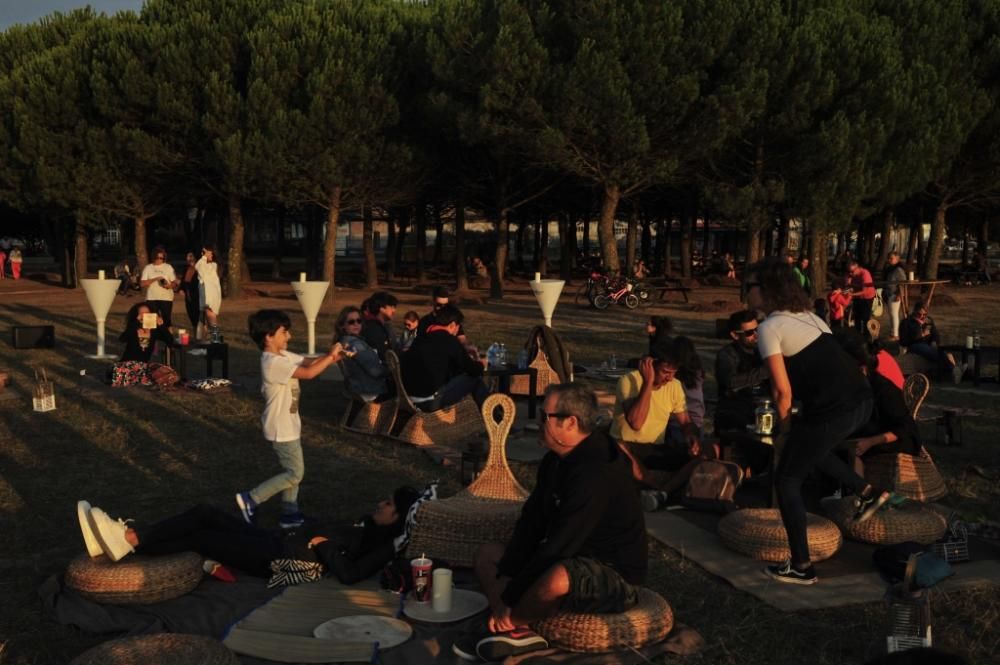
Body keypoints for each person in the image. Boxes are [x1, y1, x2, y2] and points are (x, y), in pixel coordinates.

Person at [453, 384, 646, 662]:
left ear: (570, 422)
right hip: (567, 553)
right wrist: (508, 575)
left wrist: (511, 596)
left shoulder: (596, 472)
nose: (539, 422)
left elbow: (562, 544)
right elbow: (532, 522)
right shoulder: (555, 461)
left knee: (556, 577)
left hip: (611, 570)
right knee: (488, 555)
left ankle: (507, 623)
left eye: (546, 416)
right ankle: (513, 627)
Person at [744, 258, 890, 585]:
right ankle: (865, 490)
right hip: (862, 401)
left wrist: (782, 430)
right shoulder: (810, 318)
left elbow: (782, 391)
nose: (746, 293)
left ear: (767, 290)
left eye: (749, 286)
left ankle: (801, 565)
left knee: (787, 480)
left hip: (834, 408)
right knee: (805, 445)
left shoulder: (770, 328)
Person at [78, 486, 421, 585]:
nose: (380, 503)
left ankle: (128, 543)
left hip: (272, 559)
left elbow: (352, 574)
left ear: (397, 518)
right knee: (205, 513)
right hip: (274, 540)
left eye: (388, 503)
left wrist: (325, 545)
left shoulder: (382, 548)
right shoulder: (367, 526)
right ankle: (130, 537)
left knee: (204, 537)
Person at [237, 310, 346, 530]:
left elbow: (308, 362)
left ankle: (290, 514)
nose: (289, 336)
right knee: (295, 473)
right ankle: (251, 498)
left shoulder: (283, 356)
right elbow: (309, 373)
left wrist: (334, 356)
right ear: (268, 336)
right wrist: (329, 357)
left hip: (289, 424)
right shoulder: (271, 362)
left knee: (292, 470)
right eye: (284, 332)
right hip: (280, 427)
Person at [610, 341, 708, 485]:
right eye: (665, 372)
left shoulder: (674, 385)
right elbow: (636, 423)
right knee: (620, 450)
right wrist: (648, 382)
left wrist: (691, 435)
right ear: (650, 365)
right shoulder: (628, 381)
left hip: (655, 448)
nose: (669, 378)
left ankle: (661, 491)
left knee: (702, 458)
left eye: (673, 373)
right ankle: (657, 486)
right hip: (627, 446)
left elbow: (686, 422)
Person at [835, 331, 920, 473]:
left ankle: (859, 490)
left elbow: (904, 428)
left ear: (861, 368)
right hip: (870, 433)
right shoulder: (855, 384)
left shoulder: (883, 389)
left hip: (894, 440)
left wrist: (869, 442)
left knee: (850, 452)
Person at [400, 304, 488, 409]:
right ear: (452, 325)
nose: (457, 331)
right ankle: (494, 418)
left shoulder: (421, 337)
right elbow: (472, 369)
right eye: (458, 327)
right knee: (475, 379)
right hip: (430, 402)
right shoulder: (449, 340)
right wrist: (482, 364)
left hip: (408, 399)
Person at [714, 311, 770, 433]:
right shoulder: (726, 354)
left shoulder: (762, 351)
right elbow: (730, 381)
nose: (756, 335)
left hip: (760, 413)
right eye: (749, 332)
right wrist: (765, 371)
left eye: (757, 329)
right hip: (733, 416)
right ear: (735, 335)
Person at [110, 302, 175, 387]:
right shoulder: (134, 329)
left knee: (167, 372)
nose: (145, 316)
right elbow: (122, 339)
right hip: (128, 364)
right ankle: (136, 378)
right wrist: (136, 323)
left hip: (144, 366)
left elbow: (170, 341)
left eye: (147, 313)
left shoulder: (153, 331)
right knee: (130, 370)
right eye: (142, 314)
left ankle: (139, 378)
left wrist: (162, 326)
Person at [898, 301, 962, 383]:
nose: (921, 316)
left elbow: (935, 334)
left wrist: (934, 341)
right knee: (930, 351)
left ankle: (952, 371)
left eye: (924, 314)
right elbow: (903, 341)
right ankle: (953, 369)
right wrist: (920, 335)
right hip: (914, 345)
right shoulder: (906, 322)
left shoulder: (928, 321)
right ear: (914, 311)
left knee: (940, 351)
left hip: (928, 345)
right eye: (919, 314)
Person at [336, 305, 389, 401]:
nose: (356, 324)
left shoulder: (343, 341)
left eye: (359, 321)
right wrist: (391, 370)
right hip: (369, 390)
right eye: (351, 322)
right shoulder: (355, 344)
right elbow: (375, 371)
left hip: (357, 387)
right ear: (343, 325)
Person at [140, 246, 179, 328]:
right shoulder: (148, 268)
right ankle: (151, 338)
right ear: (154, 257)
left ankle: (168, 337)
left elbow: (174, 282)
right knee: (150, 320)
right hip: (151, 298)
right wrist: (155, 279)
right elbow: (142, 284)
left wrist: (169, 286)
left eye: (162, 258)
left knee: (166, 319)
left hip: (166, 298)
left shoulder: (168, 267)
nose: (160, 260)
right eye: (158, 257)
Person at [360, 291, 398, 361]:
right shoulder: (374, 329)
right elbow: (383, 357)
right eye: (391, 307)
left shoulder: (375, 325)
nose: (394, 311)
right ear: (382, 308)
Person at [195, 245, 223, 341]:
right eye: (208, 253)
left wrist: (204, 256)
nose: (209, 255)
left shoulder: (213, 266)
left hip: (210, 297)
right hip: (207, 295)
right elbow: (199, 267)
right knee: (207, 321)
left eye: (210, 253)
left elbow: (199, 268)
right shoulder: (206, 265)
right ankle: (207, 342)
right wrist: (204, 256)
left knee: (211, 319)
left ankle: (216, 339)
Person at [882, 251, 907, 340]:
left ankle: (895, 334)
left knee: (894, 314)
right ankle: (893, 333)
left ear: (897, 259)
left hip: (894, 293)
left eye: (891, 258)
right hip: (889, 293)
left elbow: (903, 283)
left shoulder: (898, 270)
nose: (889, 260)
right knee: (891, 314)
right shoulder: (890, 268)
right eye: (889, 258)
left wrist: (900, 294)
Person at [848, 259, 877, 335]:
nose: (851, 273)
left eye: (852, 271)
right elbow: (854, 286)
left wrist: (852, 294)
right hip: (858, 297)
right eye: (850, 271)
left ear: (857, 267)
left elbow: (865, 290)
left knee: (865, 317)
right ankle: (858, 334)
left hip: (867, 297)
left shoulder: (865, 274)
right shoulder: (853, 274)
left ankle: (866, 335)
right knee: (857, 316)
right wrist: (849, 286)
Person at [181, 251, 202, 333]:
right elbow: (184, 282)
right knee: (192, 318)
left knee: (199, 319)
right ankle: (196, 337)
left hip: (198, 297)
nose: (189, 259)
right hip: (188, 297)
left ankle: (202, 338)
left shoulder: (199, 269)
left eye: (191, 256)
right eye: (187, 257)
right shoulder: (186, 269)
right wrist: (181, 289)